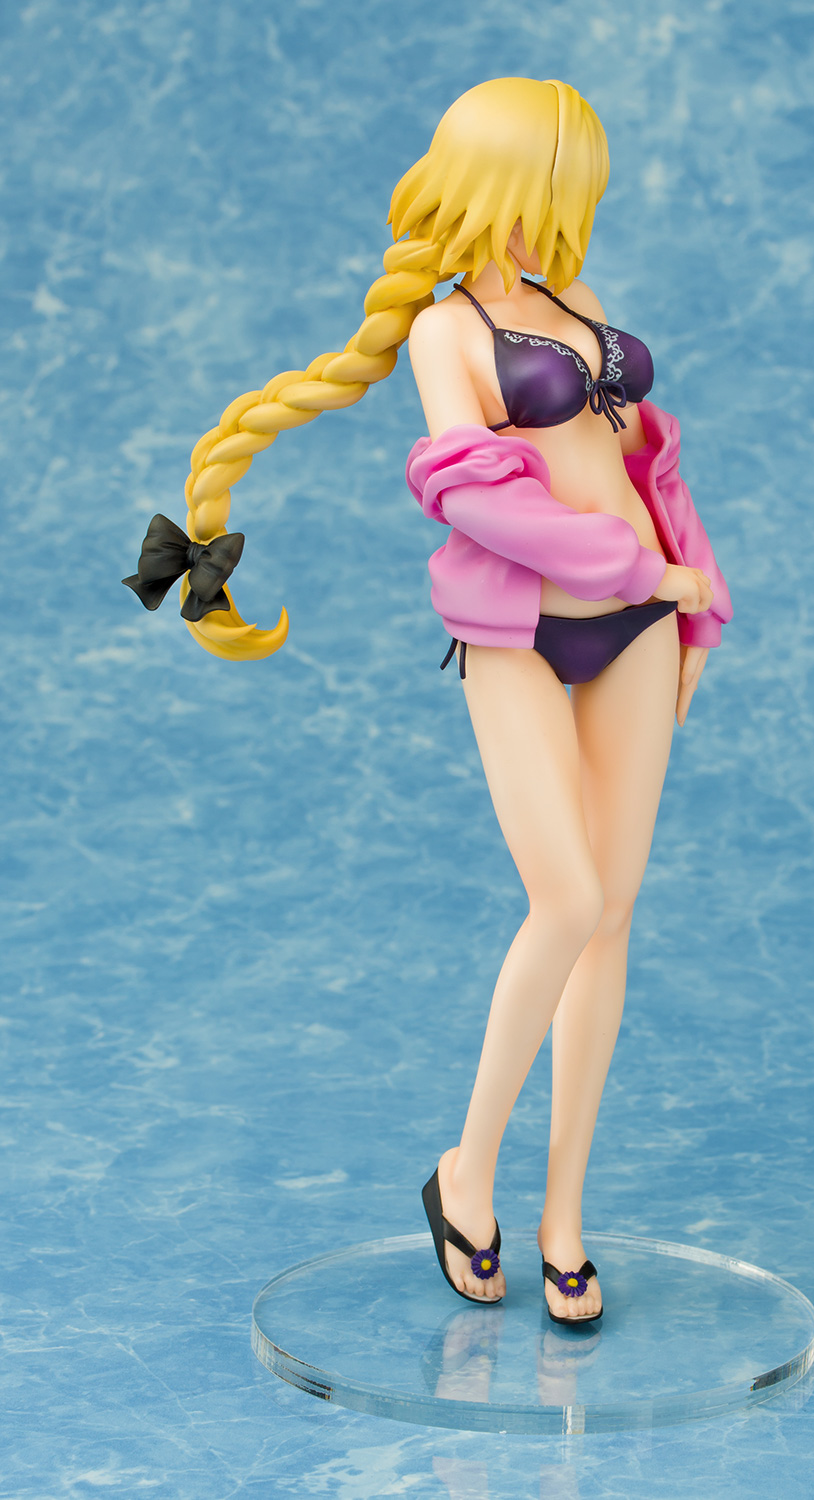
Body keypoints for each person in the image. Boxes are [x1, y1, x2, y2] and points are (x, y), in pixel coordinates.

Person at [123, 77, 731, 1325]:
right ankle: (468, 1173)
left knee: (612, 915)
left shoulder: (578, 300)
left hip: (641, 626)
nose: (569, 208)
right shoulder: (447, 333)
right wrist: (635, 568)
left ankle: (564, 1217)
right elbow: (476, 497)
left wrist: (695, 586)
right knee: (565, 897)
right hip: (525, 630)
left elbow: (637, 453)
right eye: (557, 181)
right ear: (502, 181)